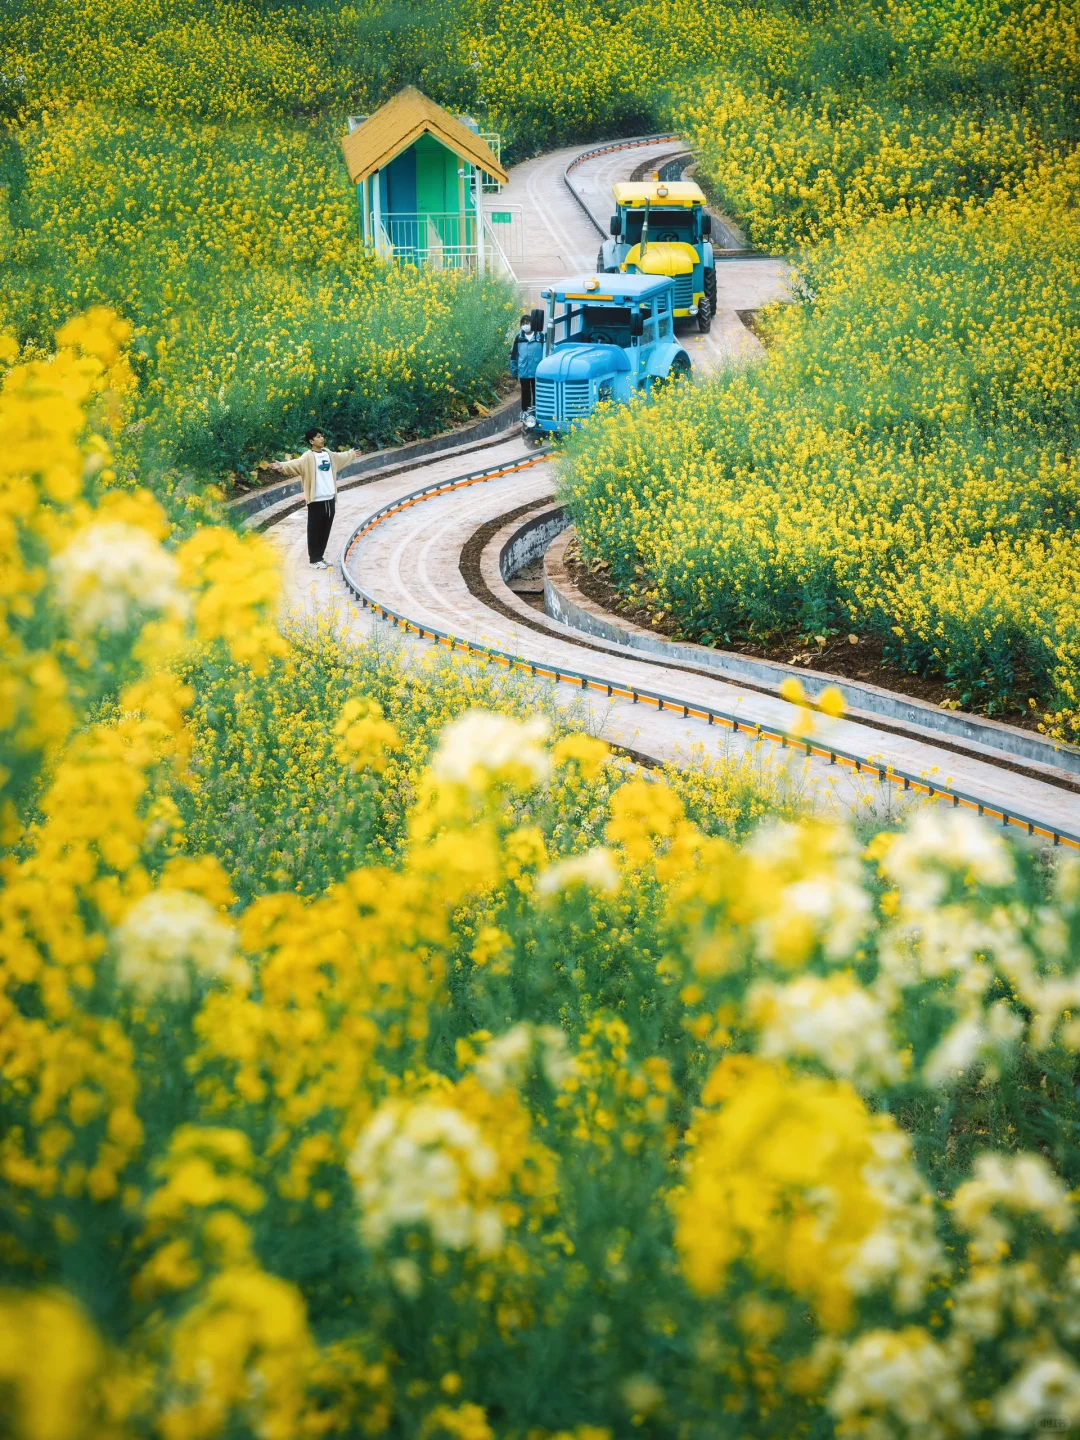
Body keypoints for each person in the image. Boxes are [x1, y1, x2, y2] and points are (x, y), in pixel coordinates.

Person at [270, 428, 361, 570]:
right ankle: (314, 559)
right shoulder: (308, 457)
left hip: (330, 497)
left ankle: (320, 557)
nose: (322, 438)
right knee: (314, 529)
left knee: (326, 528)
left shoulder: (328, 454)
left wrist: (351, 454)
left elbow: (341, 457)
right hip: (316, 499)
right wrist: (281, 466)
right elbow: (295, 464)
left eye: (322, 436)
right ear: (311, 441)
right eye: (318, 437)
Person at [510, 314, 543, 410]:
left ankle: (537, 413)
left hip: (537, 371)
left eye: (527, 323)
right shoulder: (519, 338)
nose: (525, 325)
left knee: (538, 393)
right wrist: (514, 372)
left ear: (532, 323)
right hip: (523, 371)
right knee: (525, 393)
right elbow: (514, 355)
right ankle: (526, 414)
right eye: (523, 323)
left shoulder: (540, 337)